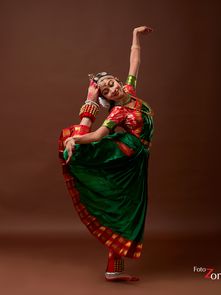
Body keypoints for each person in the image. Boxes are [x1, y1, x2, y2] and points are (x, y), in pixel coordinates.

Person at [58, 26, 154, 282]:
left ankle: (114, 269)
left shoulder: (131, 92)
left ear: (118, 81)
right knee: (123, 208)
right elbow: (98, 135)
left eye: (110, 83)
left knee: (126, 208)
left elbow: (135, 60)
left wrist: (134, 34)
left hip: (138, 160)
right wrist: (75, 139)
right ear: (105, 97)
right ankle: (114, 268)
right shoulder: (117, 113)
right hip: (126, 156)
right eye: (105, 91)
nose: (110, 89)